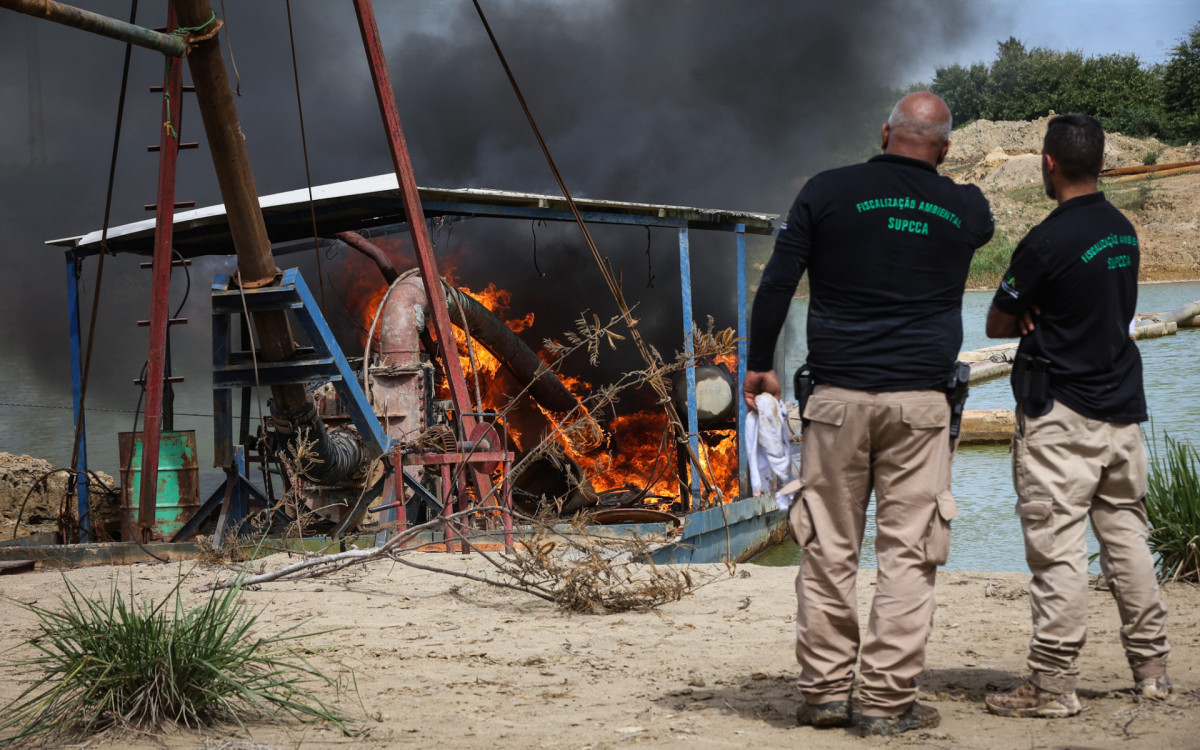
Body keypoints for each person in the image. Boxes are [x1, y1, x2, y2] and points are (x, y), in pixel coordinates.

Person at [743, 91, 994, 736]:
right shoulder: (966, 206)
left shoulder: (826, 192)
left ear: (885, 132)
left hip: (835, 403)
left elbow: (777, 281)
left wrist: (760, 363)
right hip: (922, 407)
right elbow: (977, 230)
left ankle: (824, 695)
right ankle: (884, 703)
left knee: (827, 547)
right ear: (945, 147)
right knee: (908, 555)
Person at [983, 113, 1170, 718]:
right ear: (1104, 164)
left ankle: (1052, 684)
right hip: (1123, 410)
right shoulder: (1122, 230)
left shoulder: (1044, 240)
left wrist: (1031, 305)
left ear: (1048, 163)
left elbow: (996, 322)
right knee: (1128, 541)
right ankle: (1153, 671)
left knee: (1058, 550)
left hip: (1062, 415)